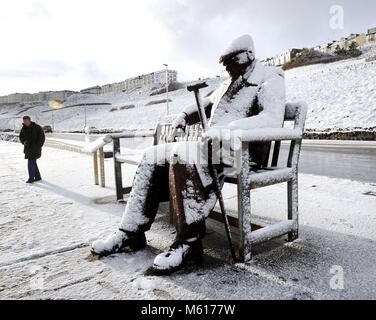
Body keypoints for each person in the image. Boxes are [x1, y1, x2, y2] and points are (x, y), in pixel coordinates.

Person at [92, 35, 286, 275]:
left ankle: (190, 243)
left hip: (243, 153)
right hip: (214, 149)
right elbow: (204, 105)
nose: (225, 67)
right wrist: (183, 116)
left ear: (247, 55)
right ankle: (131, 231)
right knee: (153, 155)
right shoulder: (227, 83)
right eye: (224, 63)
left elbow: (272, 118)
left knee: (183, 155)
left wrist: (227, 130)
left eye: (230, 61)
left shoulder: (269, 78)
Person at [19, 115, 45, 183]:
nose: (25, 123)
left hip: (35, 149)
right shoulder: (23, 128)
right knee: (33, 162)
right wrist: (23, 141)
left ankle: (31, 178)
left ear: (29, 120)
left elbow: (42, 137)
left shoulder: (37, 127)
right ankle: (38, 177)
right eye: (24, 122)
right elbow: (21, 136)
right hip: (28, 148)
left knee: (30, 163)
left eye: (26, 121)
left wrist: (37, 146)